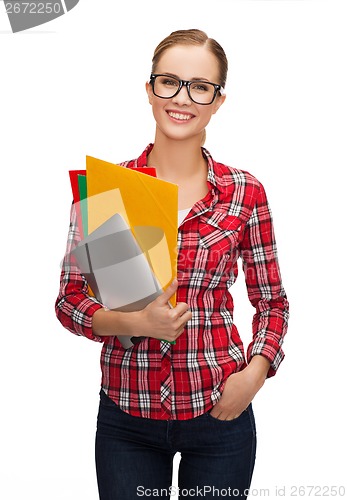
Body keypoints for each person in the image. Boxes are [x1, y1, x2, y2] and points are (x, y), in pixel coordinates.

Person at [55, 28, 289, 499]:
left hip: (220, 411)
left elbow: (272, 302)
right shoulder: (107, 191)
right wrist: (134, 320)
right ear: (149, 90)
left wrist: (254, 376)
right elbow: (70, 300)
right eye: (169, 82)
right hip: (128, 416)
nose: (182, 98)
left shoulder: (245, 193)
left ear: (218, 100)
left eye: (200, 86)